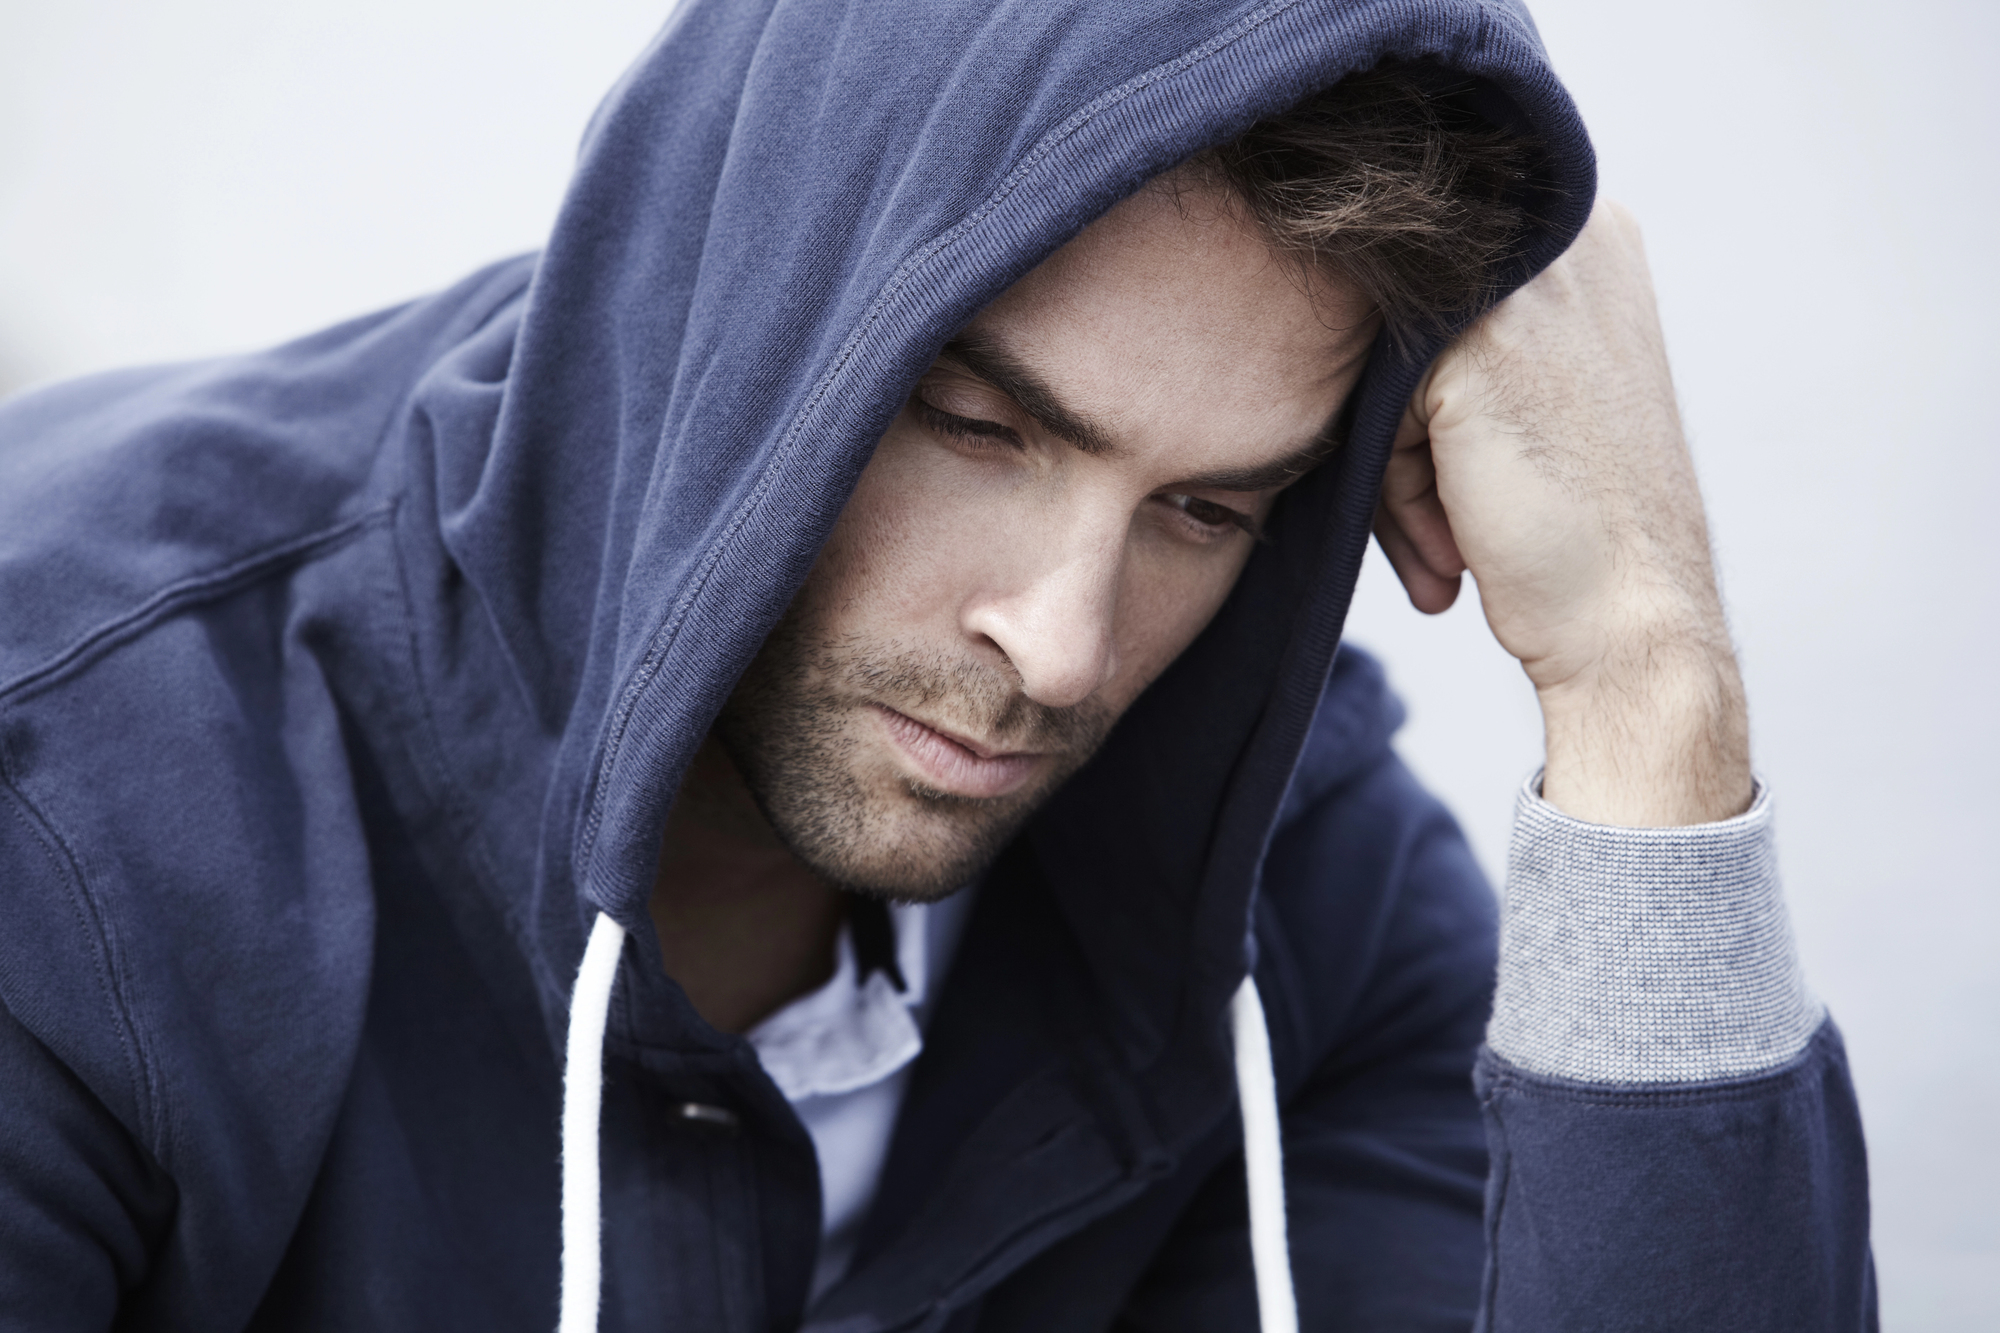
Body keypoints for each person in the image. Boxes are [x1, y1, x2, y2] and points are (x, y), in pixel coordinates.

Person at [0, 0, 1875, 1329]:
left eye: (1211, 509)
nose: (1063, 645)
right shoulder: (75, 821)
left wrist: (1644, 680)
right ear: (751, 300)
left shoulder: (1288, 880)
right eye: (978, 425)